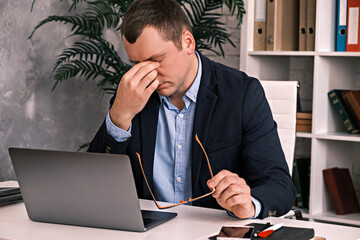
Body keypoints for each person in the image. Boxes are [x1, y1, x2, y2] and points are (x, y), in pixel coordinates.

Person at [88, 0, 296, 219]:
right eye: (136, 64)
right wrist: (119, 116)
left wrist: (250, 204)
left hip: (214, 229)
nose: (147, 74)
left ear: (187, 42)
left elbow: (280, 186)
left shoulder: (242, 94)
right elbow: (92, 184)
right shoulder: (131, 95)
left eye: (155, 60)